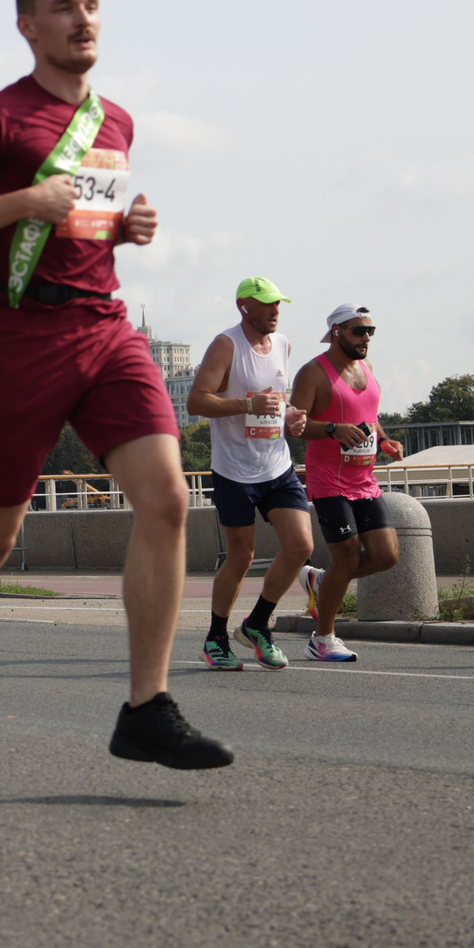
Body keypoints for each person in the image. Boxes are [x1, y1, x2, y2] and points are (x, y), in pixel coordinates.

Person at [0, 0, 231, 775]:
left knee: (170, 498)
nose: (82, 19)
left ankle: (146, 707)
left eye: (91, 5)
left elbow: (84, 220)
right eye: (61, 8)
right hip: (17, 338)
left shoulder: (116, 119)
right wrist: (18, 201)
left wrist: (125, 226)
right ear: (28, 27)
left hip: (106, 328)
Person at [186, 277, 314, 672]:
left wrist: (292, 416)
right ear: (245, 306)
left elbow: (279, 400)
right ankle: (216, 638)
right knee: (242, 557)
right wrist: (245, 404)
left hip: (276, 465)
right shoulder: (226, 345)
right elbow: (197, 401)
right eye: (267, 304)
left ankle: (257, 625)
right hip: (234, 471)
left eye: (278, 304)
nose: (275, 311)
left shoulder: (283, 344)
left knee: (301, 546)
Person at [286, 303, 400, 663]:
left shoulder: (366, 368)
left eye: (371, 331)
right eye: (358, 331)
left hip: (364, 479)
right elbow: (296, 426)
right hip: (328, 479)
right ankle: (323, 639)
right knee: (348, 557)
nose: (366, 337)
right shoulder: (312, 373)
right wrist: (334, 429)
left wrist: (383, 440)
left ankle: (322, 581)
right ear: (336, 332)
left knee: (386, 555)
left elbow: (370, 416)